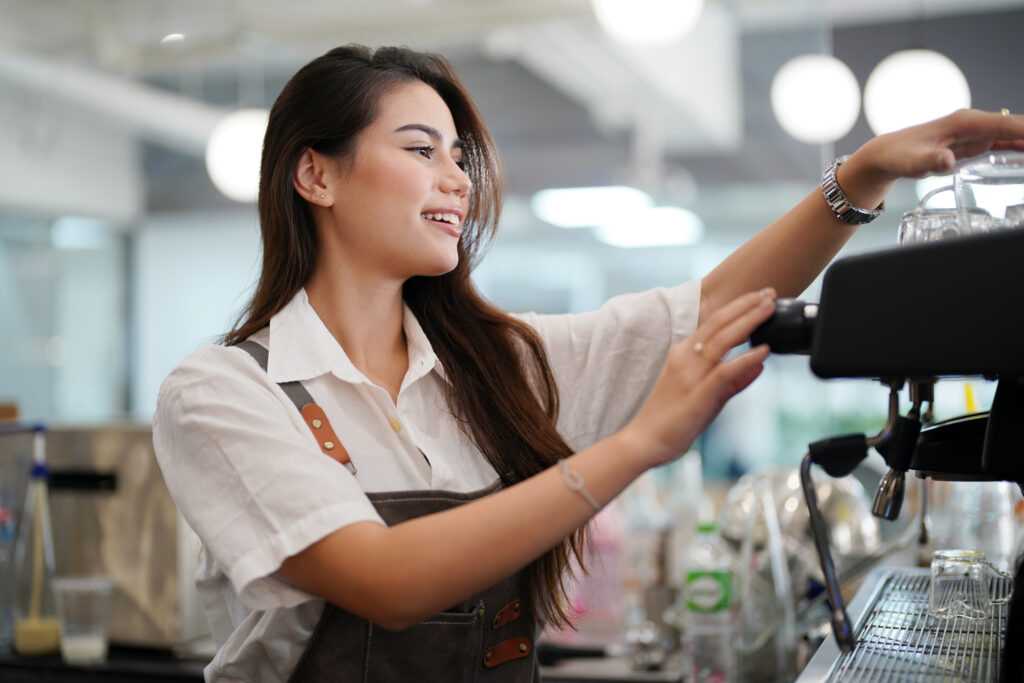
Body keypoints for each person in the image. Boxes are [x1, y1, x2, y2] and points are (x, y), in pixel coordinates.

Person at [152, 44, 1024, 682]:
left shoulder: (497, 367)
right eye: (421, 150)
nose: (457, 179)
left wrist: (861, 177)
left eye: (460, 157)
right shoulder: (223, 393)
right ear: (316, 175)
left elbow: (708, 311)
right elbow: (388, 581)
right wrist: (638, 443)